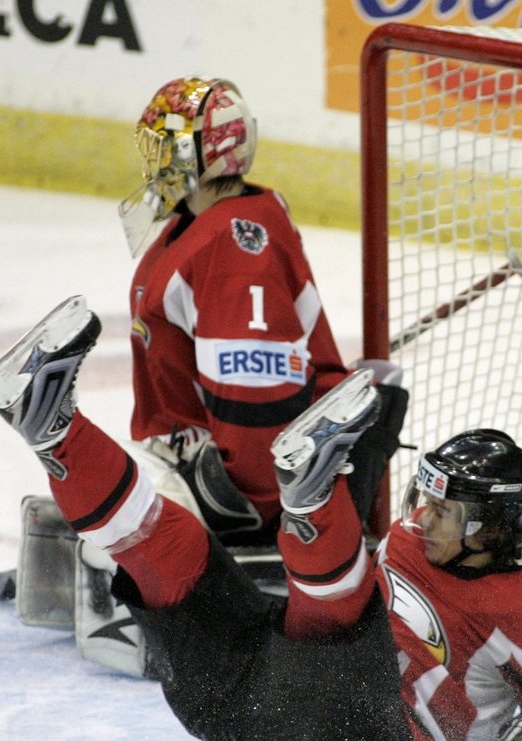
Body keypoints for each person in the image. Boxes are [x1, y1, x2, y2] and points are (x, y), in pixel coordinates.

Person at [0, 296, 522, 741]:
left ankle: (310, 499)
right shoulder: (413, 539)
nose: (423, 517)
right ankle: (53, 428)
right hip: (240, 717)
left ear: (494, 525)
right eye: (425, 497)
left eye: (448, 509)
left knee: (344, 621)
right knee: (179, 550)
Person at [118, 75, 406, 543]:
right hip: (190, 451)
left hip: (239, 487)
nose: (156, 162)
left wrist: (250, 505)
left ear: (201, 156)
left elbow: (255, 407)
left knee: (102, 506)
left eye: (166, 148)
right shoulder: (214, 221)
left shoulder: (233, 253)